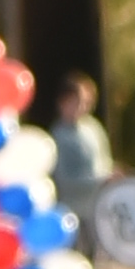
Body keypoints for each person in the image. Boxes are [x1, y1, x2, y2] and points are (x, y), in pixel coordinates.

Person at [49, 73, 114, 235]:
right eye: (78, 102)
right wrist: (100, 181)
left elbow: (105, 162)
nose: (83, 107)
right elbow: (63, 178)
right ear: (63, 102)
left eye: (87, 102)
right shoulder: (58, 136)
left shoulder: (94, 128)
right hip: (72, 212)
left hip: (98, 210)